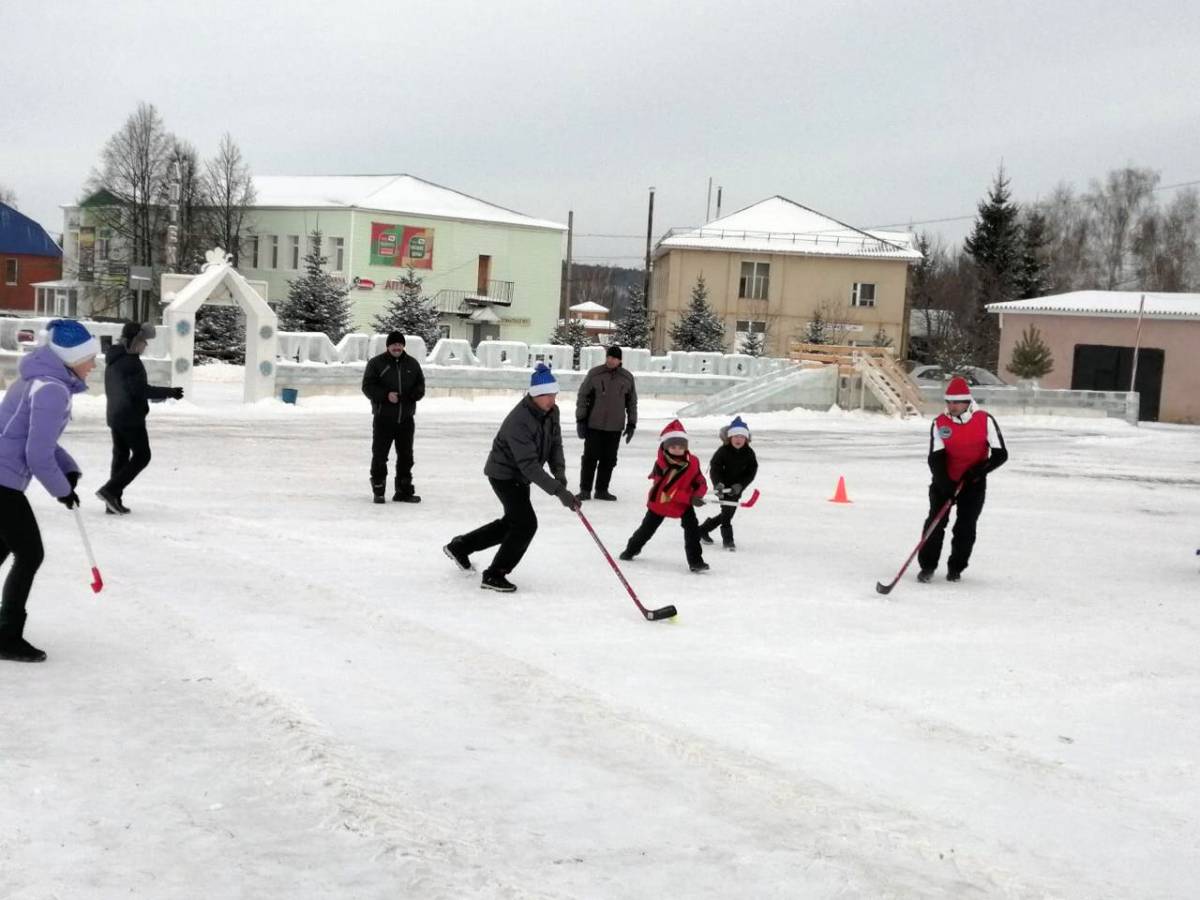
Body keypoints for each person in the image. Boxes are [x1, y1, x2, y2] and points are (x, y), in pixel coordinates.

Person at [0, 319, 99, 662]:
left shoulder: (39, 381)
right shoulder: (52, 390)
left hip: (4, 478)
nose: (93, 365)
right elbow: (36, 454)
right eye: (89, 357)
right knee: (30, 553)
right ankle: (7, 637)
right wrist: (62, 490)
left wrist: (68, 469)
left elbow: (39, 441)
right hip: (3, 483)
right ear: (71, 358)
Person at [443, 363, 578, 592]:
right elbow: (529, 466)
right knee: (525, 524)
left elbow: (555, 444)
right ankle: (494, 575)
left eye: (554, 395)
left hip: (520, 475)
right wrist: (558, 491)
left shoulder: (550, 412)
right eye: (546, 396)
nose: (551, 400)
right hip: (504, 474)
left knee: (513, 523)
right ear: (535, 394)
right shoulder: (520, 420)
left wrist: (560, 475)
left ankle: (460, 547)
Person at [917, 376, 1008, 583]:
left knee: (965, 527)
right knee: (935, 523)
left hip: (973, 484)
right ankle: (927, 566)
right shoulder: (940, 422)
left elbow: (1001, 454)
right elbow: (935, 457)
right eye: (948, 402)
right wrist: (945, 484)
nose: (952, 406)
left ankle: (956, 567)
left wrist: (978, 472)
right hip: (945, 482)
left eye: (956, 402)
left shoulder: (984, 420)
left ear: (968, 401)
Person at [96, 321, 183, 514]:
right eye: (143, 342)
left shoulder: (115, 357)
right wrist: (170, 392)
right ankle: (110, 491)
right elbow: (141, 391)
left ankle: (112, 501)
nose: (145, 346)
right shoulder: (131, 362)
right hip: (130, 417)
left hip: (116, 415)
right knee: (143, 456)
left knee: (120, 456)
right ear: (135, 341)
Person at [619, 419, 709, 572]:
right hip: (660, 503)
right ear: (665, 446)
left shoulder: (693, 462)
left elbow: (699, 480)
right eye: (673, 446)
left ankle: (696, 562)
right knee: (647, 529)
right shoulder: (662, 464)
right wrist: (690, 498)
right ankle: (631, 550)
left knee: (692, 530)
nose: (677, 449)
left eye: (680, 446)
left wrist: (699, 494)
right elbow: (667, 491)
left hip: (683, 504)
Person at [362, 331, 426, 504]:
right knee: (380, 455)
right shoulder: (376, 364)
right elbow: (367, 387)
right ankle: (379, 489)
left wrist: (411, 395)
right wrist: (385, 395)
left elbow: (421, 387)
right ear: (388, 346)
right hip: (383, 418)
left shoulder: (412, 364)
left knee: (406, 456)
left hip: (406, 419)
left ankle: (403, 491)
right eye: (393, 344)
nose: (397, 347)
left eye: (399, 344)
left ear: (403, 346)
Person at [574, 345, 637, 501]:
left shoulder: (627, 378)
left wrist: (632, 424)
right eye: (608, 357)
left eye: (614, 358)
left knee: (609, 460)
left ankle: (602, 490)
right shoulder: (595, 374)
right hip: (594, 424)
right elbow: (582, 395)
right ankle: (585, 490)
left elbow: (632, 403)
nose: (610, 360)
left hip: (615, 427)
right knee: (589, 458)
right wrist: (581, 419)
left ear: (620, 360)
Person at [698, 415, 758, 551]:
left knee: (729, 513)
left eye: (742, 437)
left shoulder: (749, 453)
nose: (738, 439)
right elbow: (715, 468)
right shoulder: (723, 451)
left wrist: (741, 485)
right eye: (735, 436)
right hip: (723, 488)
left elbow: (751, 471)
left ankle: (703, 529)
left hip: (736, 489)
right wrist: (718, 484)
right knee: (726, 515)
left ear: (746, 439)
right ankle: (728, 540)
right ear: (729, 437)